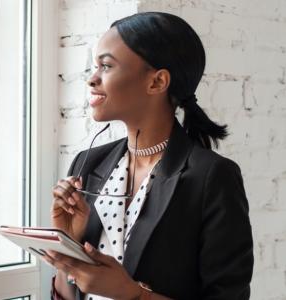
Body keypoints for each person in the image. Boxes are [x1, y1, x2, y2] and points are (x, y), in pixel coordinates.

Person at [42, 12, 254, 300]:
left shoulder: (212, 177)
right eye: (95, 66)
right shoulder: (87, 164)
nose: (92, 79)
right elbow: (69, 294)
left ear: (157, 82)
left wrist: (134, 295)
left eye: (106, 66)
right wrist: (68, 245)